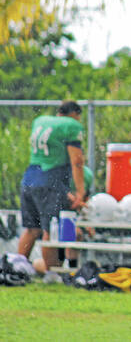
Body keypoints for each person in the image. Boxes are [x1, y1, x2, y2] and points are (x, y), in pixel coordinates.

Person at [18, 100, 87, 279]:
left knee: (31, 229)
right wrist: (80, 192)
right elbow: (77, 161)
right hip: (49, 181)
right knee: (50, 229)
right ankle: (51, 274)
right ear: (75, 114)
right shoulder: (71, 125)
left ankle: (15, 267)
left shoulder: (40, 121)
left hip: (29, 179)